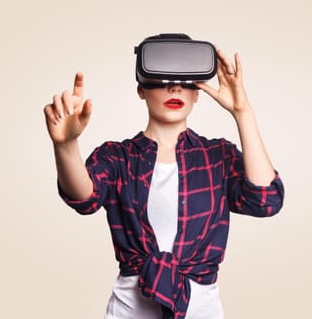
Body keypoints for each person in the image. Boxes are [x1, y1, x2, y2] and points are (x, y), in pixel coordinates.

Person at [43, 34, 285, 319]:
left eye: (186, 82)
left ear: (197, 92)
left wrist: (243, 113)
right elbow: (84, 198)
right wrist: (65, 145)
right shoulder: (117, 157)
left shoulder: (217, 156)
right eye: (160, 80)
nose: (174, 88)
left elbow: (265, 200)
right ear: (141, 90)